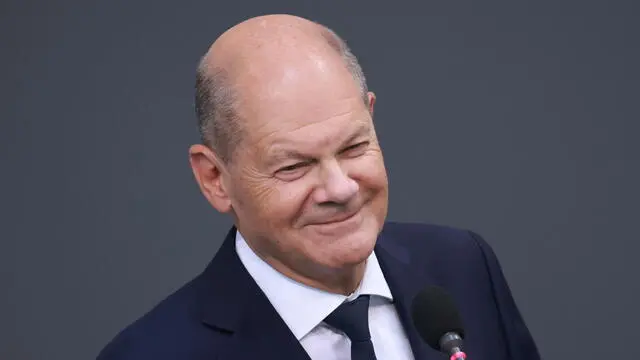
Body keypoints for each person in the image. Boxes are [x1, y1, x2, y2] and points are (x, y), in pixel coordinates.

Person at [97, 14, 540, 360]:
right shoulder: (152, 356)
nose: (341, 188)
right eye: (294, 166)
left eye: (353, 146)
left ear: (372, 117)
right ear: (215, 179)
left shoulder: (462, 268)